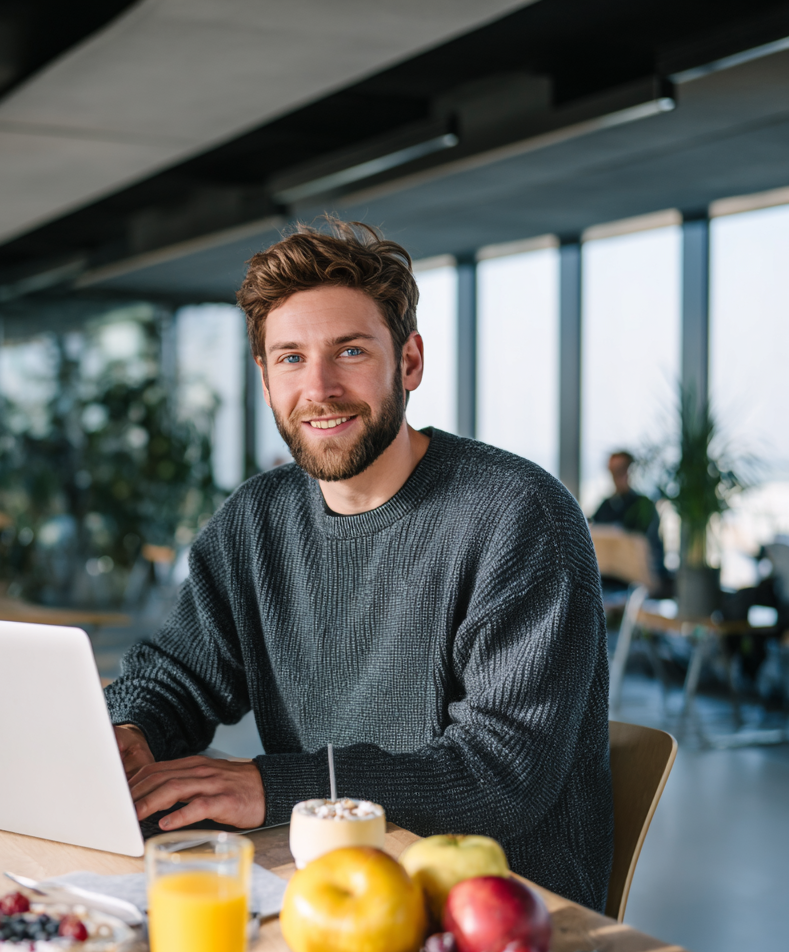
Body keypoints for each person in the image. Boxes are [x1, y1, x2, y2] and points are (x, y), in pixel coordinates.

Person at [106, 220, 613, 911]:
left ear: (408, 362)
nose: (319, 388)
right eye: (290, 358)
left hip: (494, 918)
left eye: (349, 351)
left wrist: (272, 787)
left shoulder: (517, 517)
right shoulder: (256, 519)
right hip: (326, 890)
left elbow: (501, 776)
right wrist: (132, 733)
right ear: (264, 377)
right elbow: (178, 676)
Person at [590, 451, 667, 591]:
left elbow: (645, 545)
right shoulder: (606, 505)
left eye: (619, 471)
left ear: (630, 471)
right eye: (612, 472)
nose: (615, 477)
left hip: (637, 583)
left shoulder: (643, 505)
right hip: (608, 580)